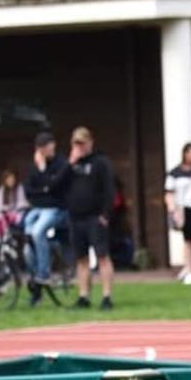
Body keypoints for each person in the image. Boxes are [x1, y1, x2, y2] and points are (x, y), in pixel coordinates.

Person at [66, 127, 116, 311]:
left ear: (90, 142)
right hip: (75, 217)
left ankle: (106, 295)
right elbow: (59, 183)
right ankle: (83, 295)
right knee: (81, 258)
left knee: (102, 256)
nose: (80, 147)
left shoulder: (101, 162)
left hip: (95, 216)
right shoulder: (71, 165)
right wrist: (70, 163)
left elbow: (109, 189)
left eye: (82, 143)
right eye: (76, 143)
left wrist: (105, 214)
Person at [22, 132, 71, 302]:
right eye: (40, 148)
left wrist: (43, 174)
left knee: (37, 232)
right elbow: (29, 190)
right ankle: (36, 284)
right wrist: (44, 188)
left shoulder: (61, 164)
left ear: (53, 145)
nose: (44, 151)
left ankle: (44, 274)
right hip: (37, 209)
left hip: (56, 209)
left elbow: (55, 187)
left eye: (46, 146)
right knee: (27, 243)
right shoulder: (34, 166)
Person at [164, 143, 191, 284]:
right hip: (184, 208)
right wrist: (173, 210)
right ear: (185, 154)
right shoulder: (175, 173)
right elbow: (169, 193)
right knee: (188, 240)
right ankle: (189, 269)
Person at [0, 167, 29, 245]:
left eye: (12, 178)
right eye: (9, 179)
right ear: (5, 180)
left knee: (6, 217)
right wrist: (2, 212)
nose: (11, 181)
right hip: (4, 216)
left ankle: (7, 235)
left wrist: (11, 208)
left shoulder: (19, 188)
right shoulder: (2, 190)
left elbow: (22, 203)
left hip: (17, 215)